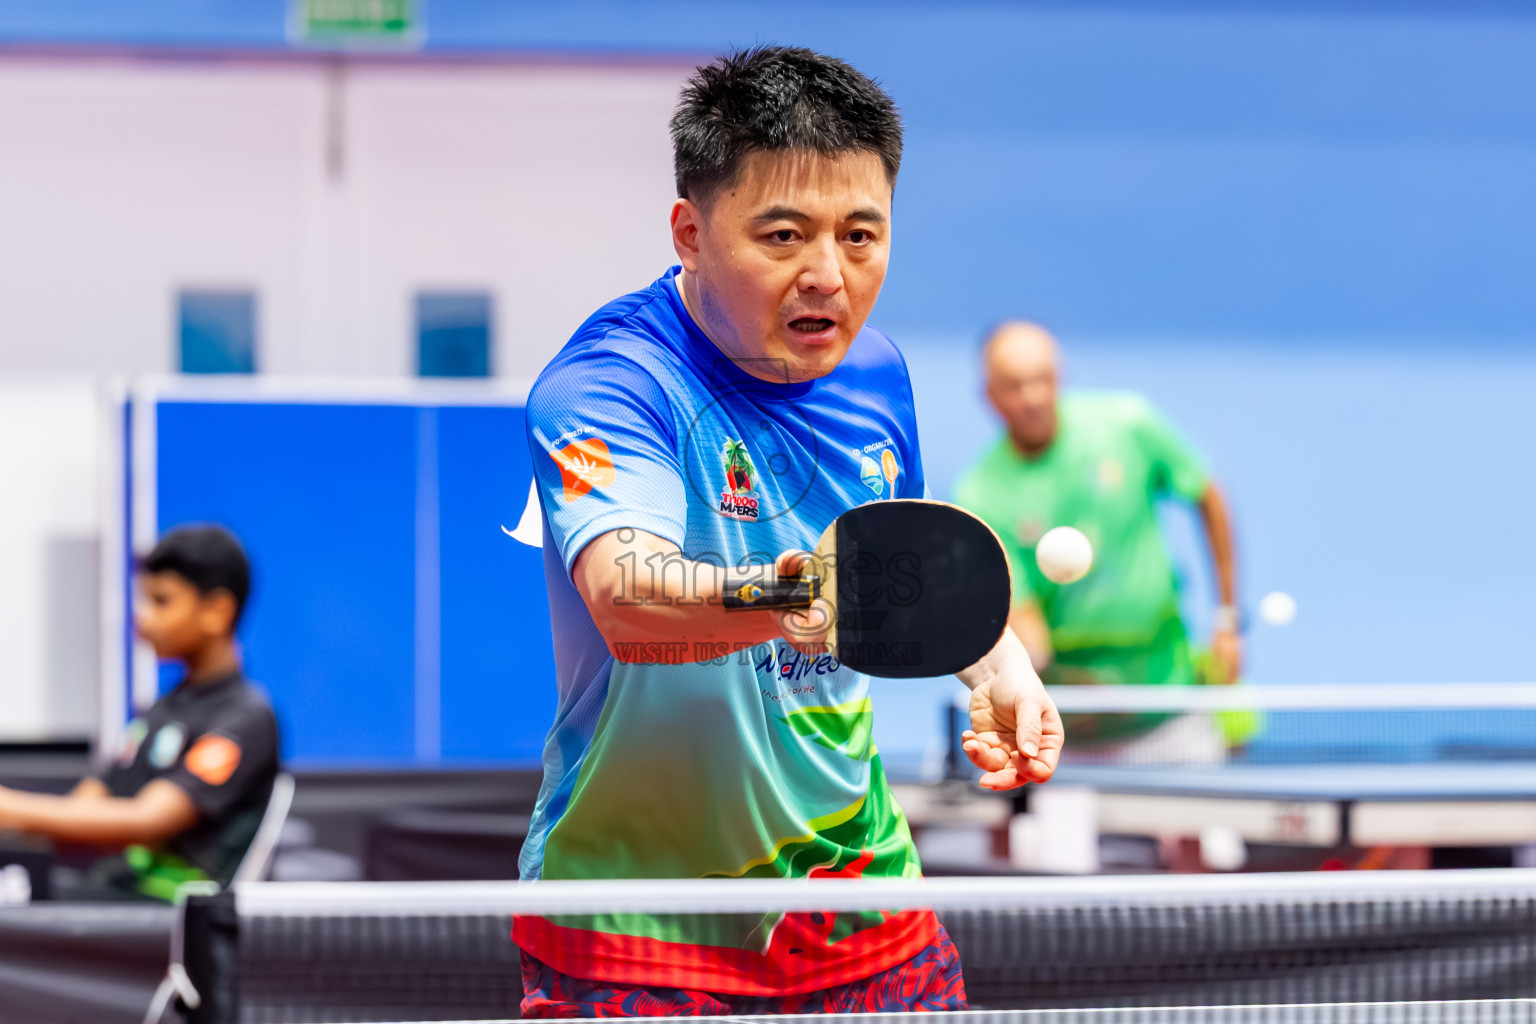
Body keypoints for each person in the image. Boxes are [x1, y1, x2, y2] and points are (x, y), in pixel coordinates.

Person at [516, 46, 1062, 1017]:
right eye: (783, 236)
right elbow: (628, 596)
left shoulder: (876, 374)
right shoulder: (609, 385)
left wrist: (1000, 669)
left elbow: (906, 568)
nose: (828, 276)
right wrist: (793, 594)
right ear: (690, 231)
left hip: (860, 901)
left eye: (862, 235)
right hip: (640, 925)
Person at [954, 322, 1240, 758]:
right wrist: (1023, 660)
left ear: (1059, 378)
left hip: (1171, 710)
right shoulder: (981, 496)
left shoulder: (1128, 424)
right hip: (1064, 732)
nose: (1032, 397)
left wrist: (1226, 620)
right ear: (990, 396)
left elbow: (1206, 493)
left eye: (1042, 379)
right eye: (1014, 385)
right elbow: (1023, 619)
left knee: (1203, 821)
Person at [0, 525, 279, 900]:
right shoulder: (161, 710)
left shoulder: (246, 717)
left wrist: (9, 806)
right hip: (115, 893)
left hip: (171, 917)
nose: (143, 617)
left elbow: (149, 820)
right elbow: (84, 809)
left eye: (161, 601)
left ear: (217, 611)